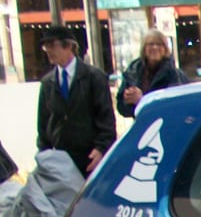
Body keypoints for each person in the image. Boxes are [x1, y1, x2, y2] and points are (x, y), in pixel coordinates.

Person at [35, 25, 115, 177]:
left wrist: (101, 148)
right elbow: (44, 124)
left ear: (69, 46)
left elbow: (106, 118)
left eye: (52, 45)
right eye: (46, 47)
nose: (49, 51)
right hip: (60, 161)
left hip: (90, 157)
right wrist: (43, 155)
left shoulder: (93, 77)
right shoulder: (48, 83)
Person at [115, 29, 189, 119]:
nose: (155, 47)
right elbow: (122, 108)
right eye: (150, 44)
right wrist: (128, 101)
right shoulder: (133, 72)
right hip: (142, 126)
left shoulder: (175, 75)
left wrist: (142, 100)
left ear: (165, 49)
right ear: (144, 49)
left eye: (159, 44)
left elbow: (176, 108)